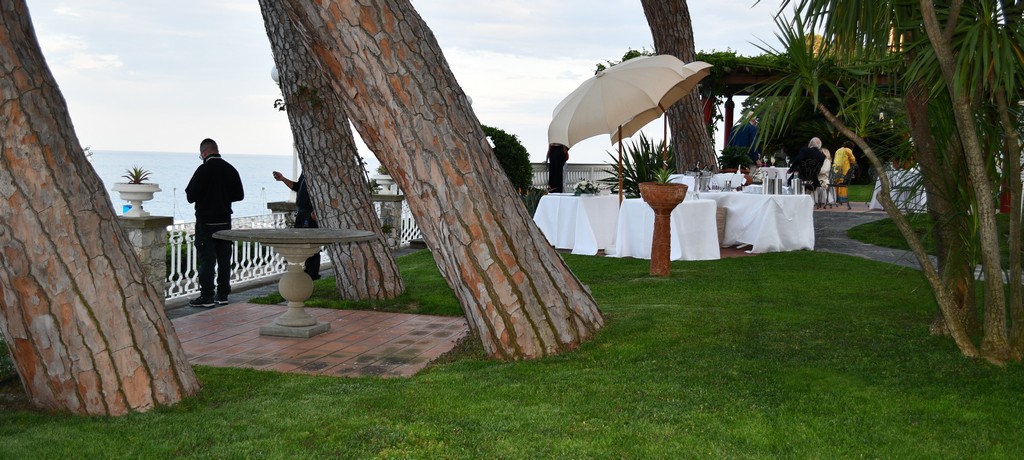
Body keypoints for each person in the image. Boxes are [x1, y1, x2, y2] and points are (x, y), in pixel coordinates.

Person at [185, 138, 244, 308]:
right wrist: (223, 197)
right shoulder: (230, 169)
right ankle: (223, 294)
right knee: (224, 259)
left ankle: (207, 296)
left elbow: (190, 196)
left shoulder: (203, 170)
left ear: (204, 153)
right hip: (225, 222)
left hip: (206, 223)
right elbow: (239, 195)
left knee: (207, 261)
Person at [272, 170, 321, 280]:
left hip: (310, 215)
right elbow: (297, 187)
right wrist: (283, 179)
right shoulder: (305, 171)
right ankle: (301, 271)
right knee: (300, 244)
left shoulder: (317, 171)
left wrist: (316, 211)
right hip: (301, 214)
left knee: (311, 245)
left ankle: (312, 275)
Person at [832, 141, 858, 205]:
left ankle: (835, 198)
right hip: (844, 170)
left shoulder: (838, 150)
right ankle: (842, 198)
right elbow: (853, 160)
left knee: (836, 183)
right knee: (842, 183)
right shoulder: (848, 150)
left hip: (835, 169)